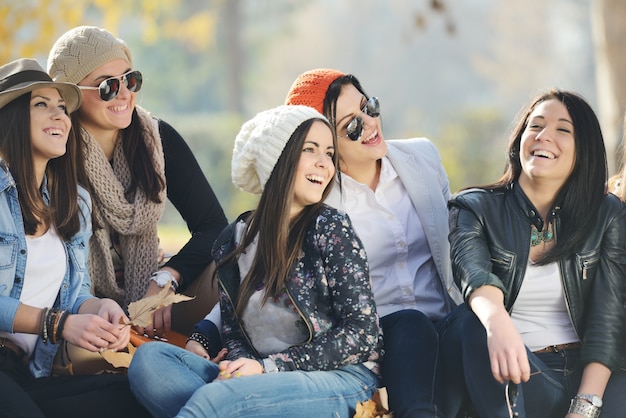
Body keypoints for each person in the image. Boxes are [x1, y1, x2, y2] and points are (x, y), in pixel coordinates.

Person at [128, 105, 384, 417]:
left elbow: (361, 333)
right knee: (150, 363)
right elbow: (235, 332)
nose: (325, 164)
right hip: (260, 379)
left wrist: (267, 369)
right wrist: (236, 367)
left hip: (340, 378)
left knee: (216, 401)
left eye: (329, 153)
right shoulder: (234, 240)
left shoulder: (330, 228)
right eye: (310, 149)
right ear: (277, 159)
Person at [282, 68, 462, 417]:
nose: (369, 123)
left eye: (369, 107)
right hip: (385, 343)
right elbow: (258, 267)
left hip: (445, 325)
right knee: (410, 326)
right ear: (325, 144)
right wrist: (206, 333)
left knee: (473, 323)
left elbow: (457, 241)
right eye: (351, 124)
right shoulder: (319, 202)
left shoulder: (423, 158)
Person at [444, 89, 626, 417]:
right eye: (536, 125)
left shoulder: (606, 214)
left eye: (563, 129)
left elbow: (608, 316)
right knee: (470, 322)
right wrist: (497, 321)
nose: (544, 136)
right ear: (519, 140)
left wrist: (585, 407)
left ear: (584, 151)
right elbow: (472, 271)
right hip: (524, 370)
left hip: (596, 379)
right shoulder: (475, 207)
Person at [47, 26, 228, 337]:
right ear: (71, 96)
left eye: (131, 79)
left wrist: (165, 279)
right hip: (81, 310)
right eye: (107, 86)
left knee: (232, 272)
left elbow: (214, 225)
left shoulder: (156, 140)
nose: (125, 94)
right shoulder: (53, 152)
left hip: (153, 299)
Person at [0, 58, 149, 417]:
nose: (60, 117)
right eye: (42, 105)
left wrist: (99, 309)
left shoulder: (74, 202)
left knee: (136, 396)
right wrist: (59, 324)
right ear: (12, 118)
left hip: (25, 371)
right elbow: (58, 319)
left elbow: (75, 292)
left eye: (63, 109)